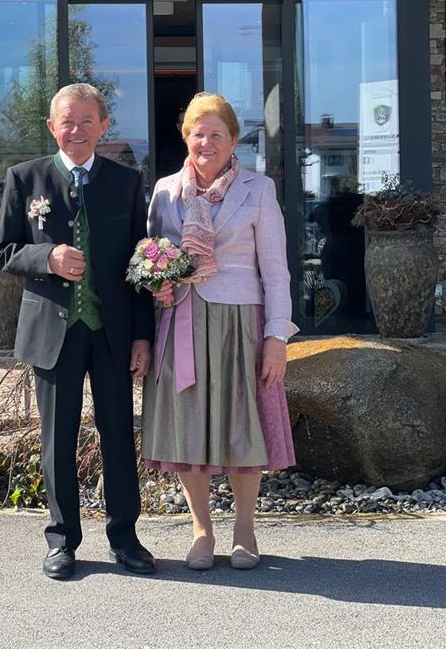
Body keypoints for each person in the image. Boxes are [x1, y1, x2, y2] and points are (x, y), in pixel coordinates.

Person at [0, 83, 155, 580]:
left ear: (104, 126)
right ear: (51, 126)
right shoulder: (25, 179)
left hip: (111, 332)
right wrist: (48, 257)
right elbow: (2, 252)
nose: (77, 130)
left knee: (117, 437)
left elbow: (141, 265)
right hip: (52, 333)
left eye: (87, 121)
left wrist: (143, 336)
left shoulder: (126, 182)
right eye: (67, 120)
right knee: (58, 439)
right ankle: (62, 540)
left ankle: (125, 538)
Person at [141, 92, 299, 570]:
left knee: (240, 425)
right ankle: (201, 530)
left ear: (233, 139)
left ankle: (245, 529)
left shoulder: (259, 189)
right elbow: (150, 255)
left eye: (215, 133)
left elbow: (276, 271)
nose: (205, 141)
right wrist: (159, 282)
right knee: (190, 424)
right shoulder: (167, 190)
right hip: (182, 321)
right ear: (185, 138)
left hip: (240, 325)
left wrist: (276, 337)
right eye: (196, 133)